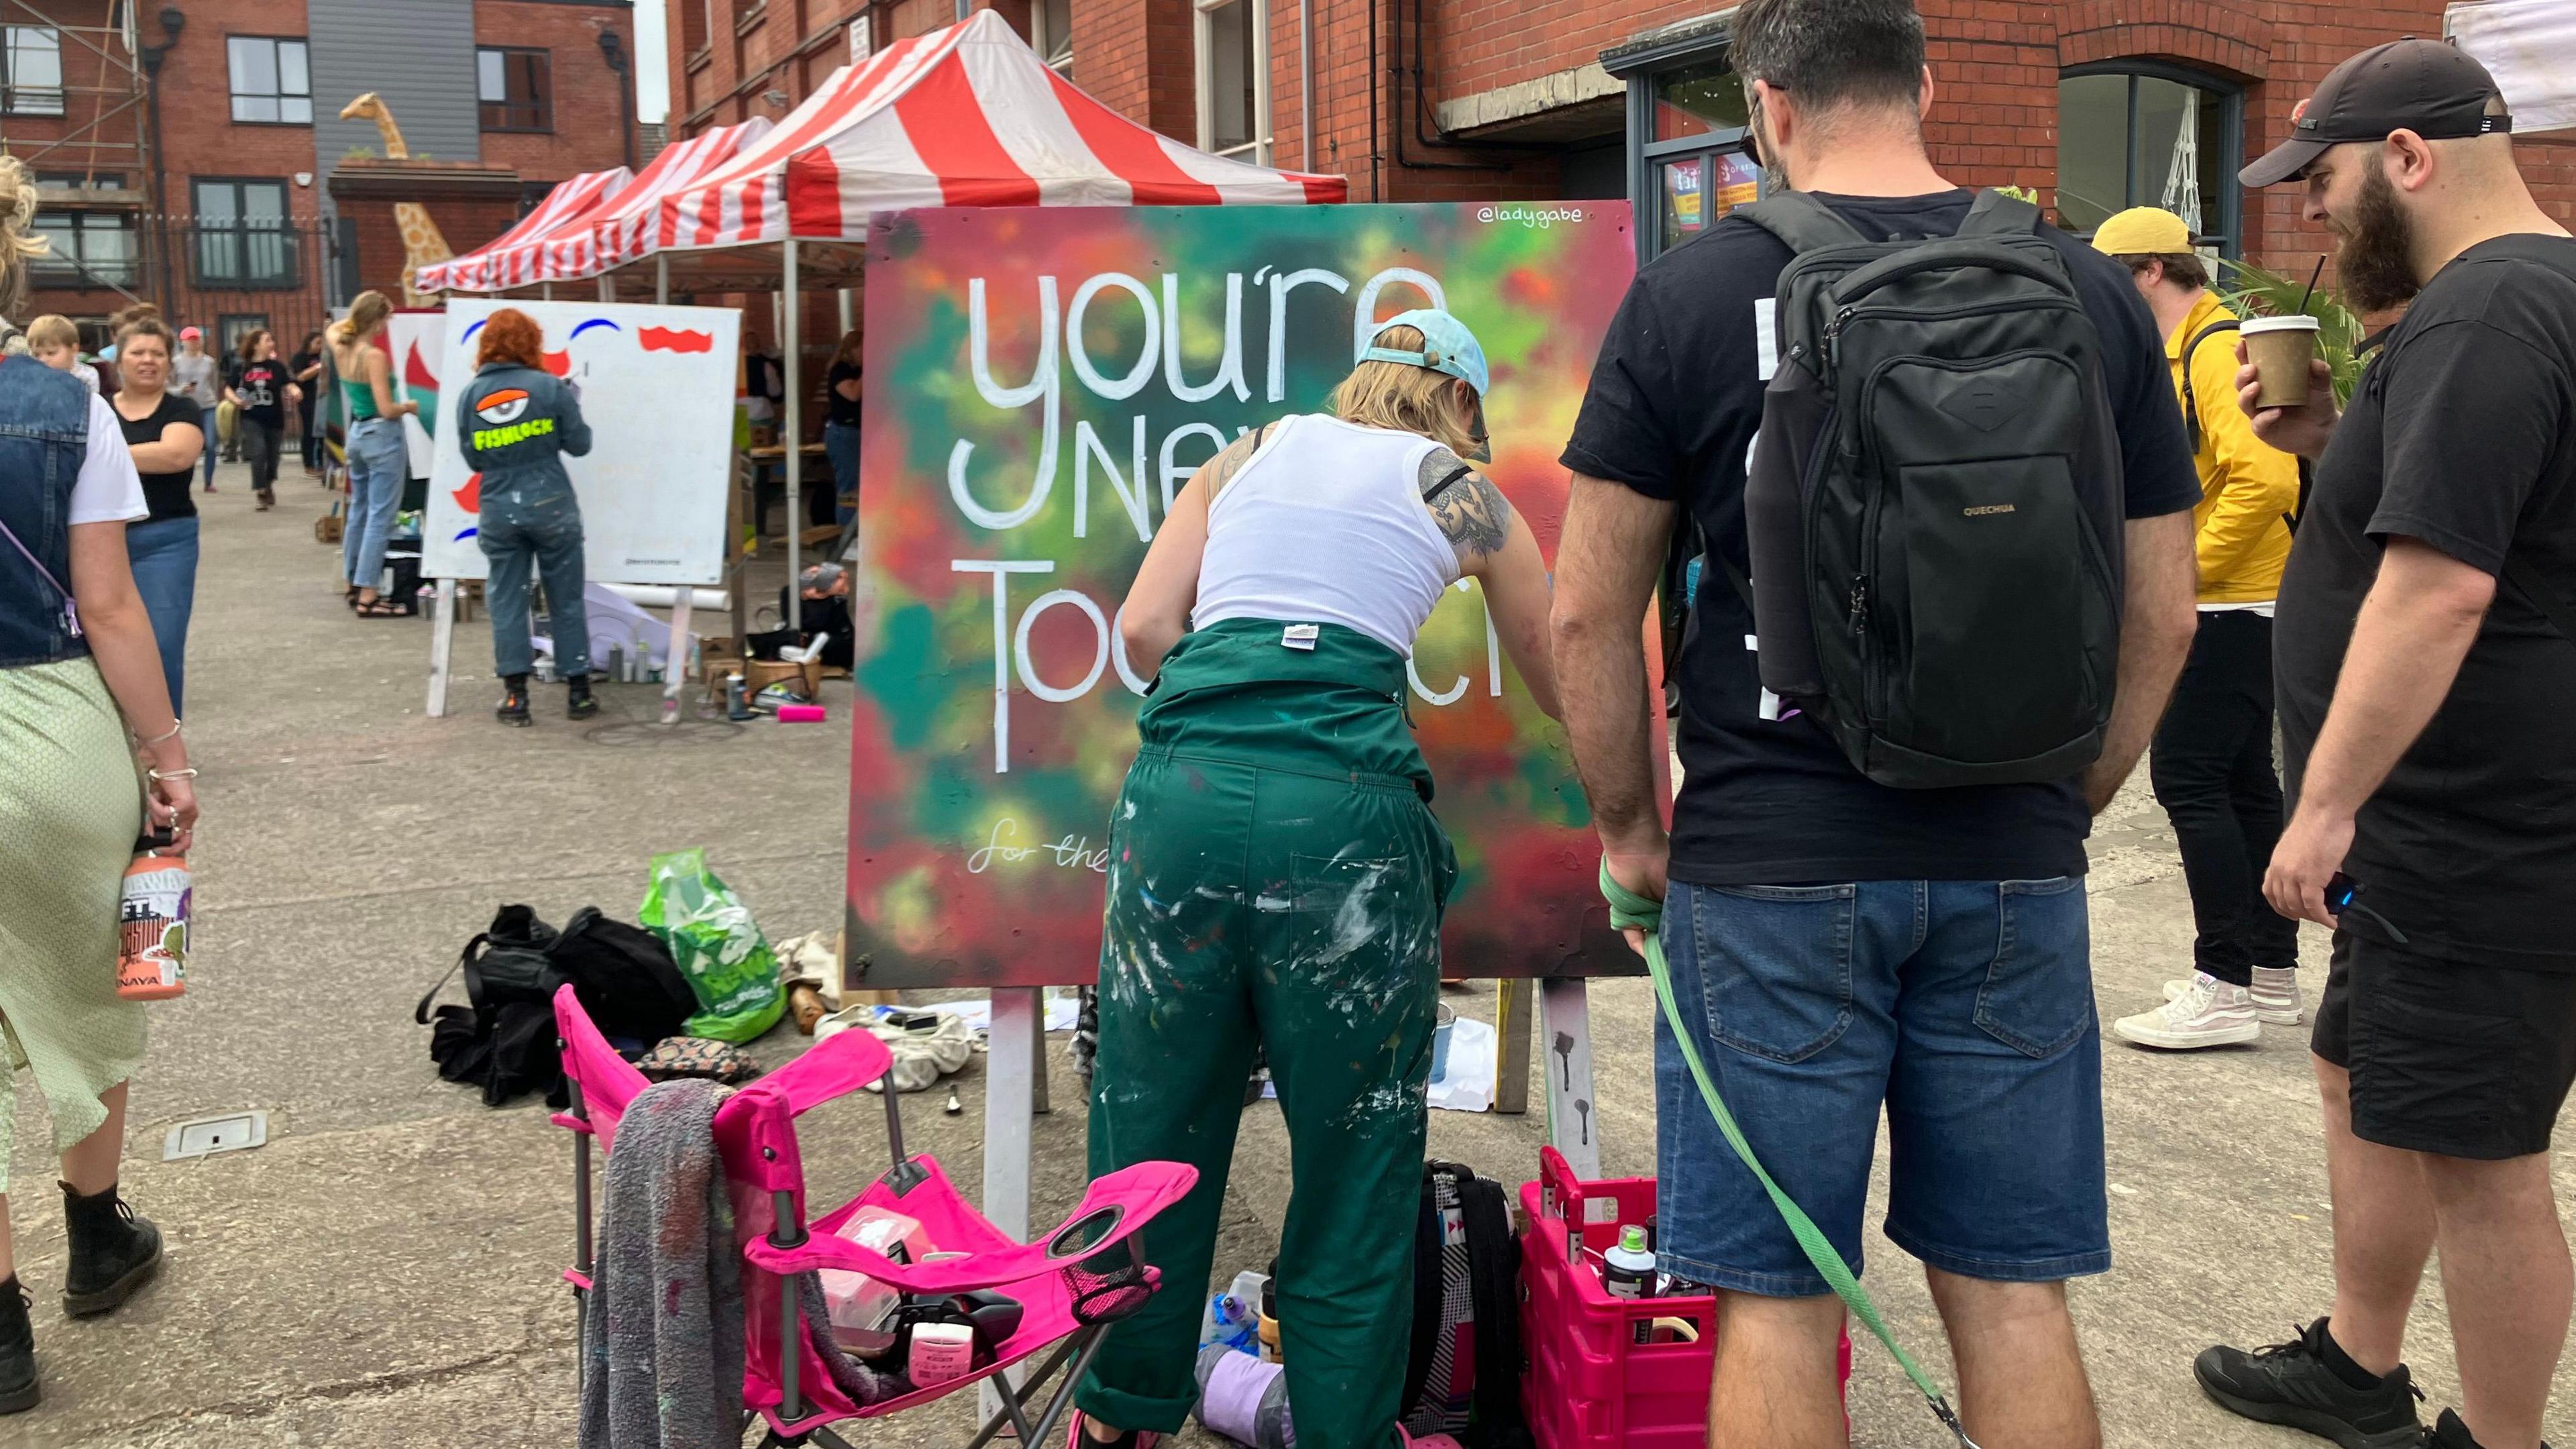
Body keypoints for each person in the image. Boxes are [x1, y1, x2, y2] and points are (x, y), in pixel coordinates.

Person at [1548, 2, 2200, 1445]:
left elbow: (1591, 612)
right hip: (2019, 854)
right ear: (1925, 80)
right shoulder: (2090, 295)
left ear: (1766, 103)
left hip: (1770, 864)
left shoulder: (1692, 295)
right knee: (2015, 1292)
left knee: (1781, 1297)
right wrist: (2069, 800)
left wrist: (1629, 833)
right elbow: (2164, 611)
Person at [1071, 311, 1559, 1449]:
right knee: (1355, 1156)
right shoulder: (1460, 490)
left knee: (1144, 1131)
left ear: (1362, 381)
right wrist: (1634, 807)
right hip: (1343, 826)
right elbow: (1558, 662)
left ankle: (1120, 1416)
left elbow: (1146, 626)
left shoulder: (1244, 453)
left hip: (1179, 805)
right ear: (1462, 407)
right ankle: (1341, 1428)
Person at [2193, 41, 2576, 1449]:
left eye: (2328, 180)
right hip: (2451, 825)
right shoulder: (2517, 300)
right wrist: (2325, 439)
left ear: (2411, 159)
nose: (2311, 215)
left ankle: (2497, 1438)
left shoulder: (2488, 312)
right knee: (2368, 1072)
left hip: (2477, 825)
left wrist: (2325, 802)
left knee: (2482, 1158)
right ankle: (2360, 1367)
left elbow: (2445, 582)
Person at [0, 152, 191, 1417]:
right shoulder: (64, 406)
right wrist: (168, 758)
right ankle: (97, 1238)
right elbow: (111, 604)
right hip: (54, 732)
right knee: (95, 984)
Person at [2089, 207, 2308, 1051]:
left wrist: (2181, 572)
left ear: (2148, 272)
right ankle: (2270, 971)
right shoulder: (2195, 346)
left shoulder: (2213, 350)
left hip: (2226, 605)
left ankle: (2224, 983)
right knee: (2245, 783)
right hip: (2251, 603)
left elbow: (2264, 480)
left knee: (2187, 779)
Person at [454, 306, 596, 725]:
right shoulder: (551, 388)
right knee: (565, 598)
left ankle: (516, 699)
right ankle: (580, 694)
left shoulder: (469, 396)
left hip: (499, 508)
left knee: (506, 600)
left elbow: (474, 459)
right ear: (532, 343)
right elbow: (581, 445)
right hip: (552, 505)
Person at [108, 316, 207, 714]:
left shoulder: (181, 408)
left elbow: (176, 455)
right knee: (102, 646)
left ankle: (164, 750)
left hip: (167, 540)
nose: (148, 360)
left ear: (170, 362)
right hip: (100, 543)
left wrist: (102, 457)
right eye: (138, 352)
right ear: (120, 359)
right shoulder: (96, 410)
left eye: (157, 353)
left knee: (162, 643)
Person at [329, 292, 417, 618]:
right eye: (386, 318)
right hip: (382, 436)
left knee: (359, 512)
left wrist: (357, 315)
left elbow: (335, 328)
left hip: (357, 435)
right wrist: (408, 406)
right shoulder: (374, 356)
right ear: (376, 321)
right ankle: (369, 594)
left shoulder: (341, 345)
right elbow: (387, 408)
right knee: (381, 517)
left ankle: (353, 582)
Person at [223, 329, 299, 513]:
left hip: (274, 418)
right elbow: (228, 389)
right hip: (251, 417)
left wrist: (294, 390)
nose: (271, 343)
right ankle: (261, 491)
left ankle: (269, 482)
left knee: (273, 457)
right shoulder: (242, 368)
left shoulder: (276, 367)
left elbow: (288, 383)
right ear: (256, 344)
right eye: (267, 340)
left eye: (272, 340)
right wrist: (236, 401)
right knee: (258, 451)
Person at [169, 325, 221, 492]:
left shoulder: (209, 361)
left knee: (211, 444)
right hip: (185, 405)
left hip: (207, 405)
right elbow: (168, 385)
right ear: (183, 342)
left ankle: (208, 481)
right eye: (190, 340)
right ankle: (184, 482)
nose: (194, 343)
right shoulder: (176, 362)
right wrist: (181, 390)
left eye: (196, 339)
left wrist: (215, 399)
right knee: (187, 446)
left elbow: (214, 383)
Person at [824, 328, 861, 526]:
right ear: (854, 349)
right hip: (843, 433)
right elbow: (853, 394)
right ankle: (845, 534)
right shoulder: (841, 370)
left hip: (857, 431)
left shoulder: (857, 371)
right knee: (849, 486)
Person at [288, 329, 326, 475]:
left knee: (323, 432)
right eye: (317, 343)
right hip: (308, 397)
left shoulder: (323, 356)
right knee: (310, 430)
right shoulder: (300, 358)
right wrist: (318, 367)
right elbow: (300, 377)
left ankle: (322, 463)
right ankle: (309, 464)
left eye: (322, 343)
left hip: (323, 396)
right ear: (309, 343)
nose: (320, 346)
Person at [26, 315, 97, 392]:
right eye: (36, 355)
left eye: (51, 353)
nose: (42, 360)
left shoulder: (86, 376)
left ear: (74, 349)